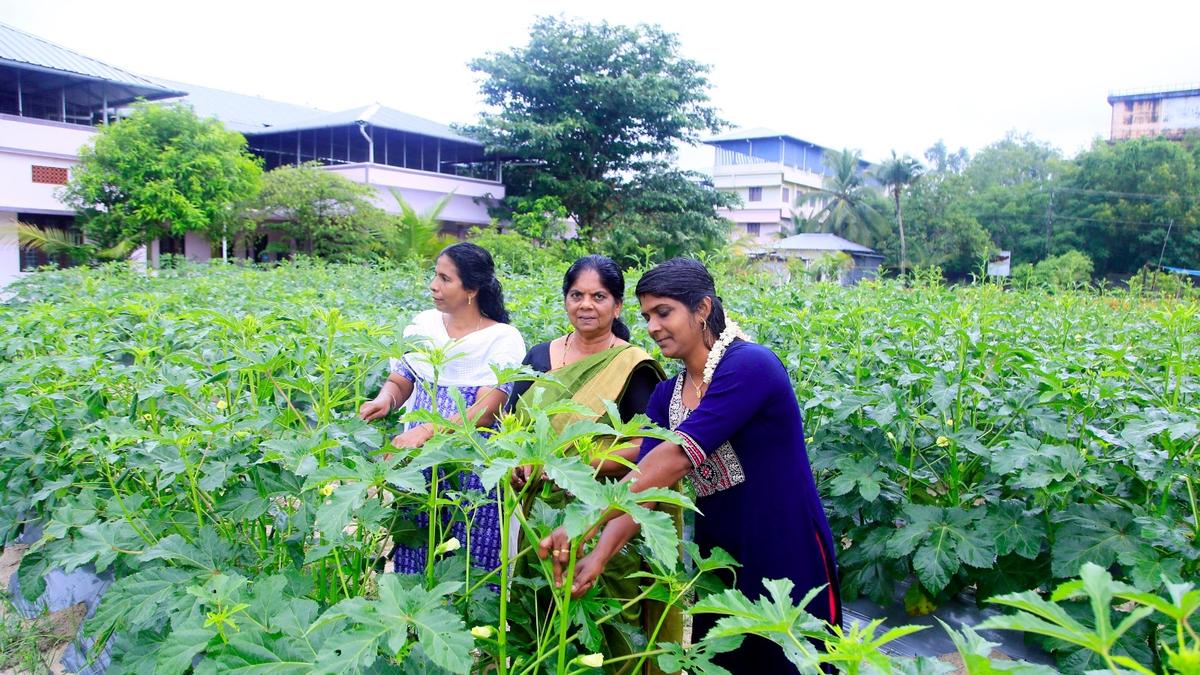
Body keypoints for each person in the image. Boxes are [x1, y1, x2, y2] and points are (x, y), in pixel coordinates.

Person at [539, 258, 842, 672]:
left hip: (784, 547)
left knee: (793, 661)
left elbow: (676, 457)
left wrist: (586, 521)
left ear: (702, 309)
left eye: (664, 312)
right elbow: (646, 485)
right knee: (721, 662)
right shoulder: (666, 395)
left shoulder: (750, 366)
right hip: (717, 561)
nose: (653, 327)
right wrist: (600, 555)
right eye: (647, 316)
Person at [508, 255, 678, 671]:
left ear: (617, 306)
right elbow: (515, 427)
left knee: (607, 627)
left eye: (598, 297)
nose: (586, 305)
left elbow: (648, 447)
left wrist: (573, 462)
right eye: (576, 295)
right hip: (539, 513)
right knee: (537, 620)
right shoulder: (539, 357)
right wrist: (519, 463)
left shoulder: (633, 366)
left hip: (605, 511)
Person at [359, 242, 525, 575]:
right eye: (435, 275)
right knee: (417, 537)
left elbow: (486, 410)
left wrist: (428, 430)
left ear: (472, 289)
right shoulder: (424, 325)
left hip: (472, 461)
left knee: (472, 551)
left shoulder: (502, 338)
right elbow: (402, 378)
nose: (433, 285)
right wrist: (385, 399)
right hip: (419, 458)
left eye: (445, 279)